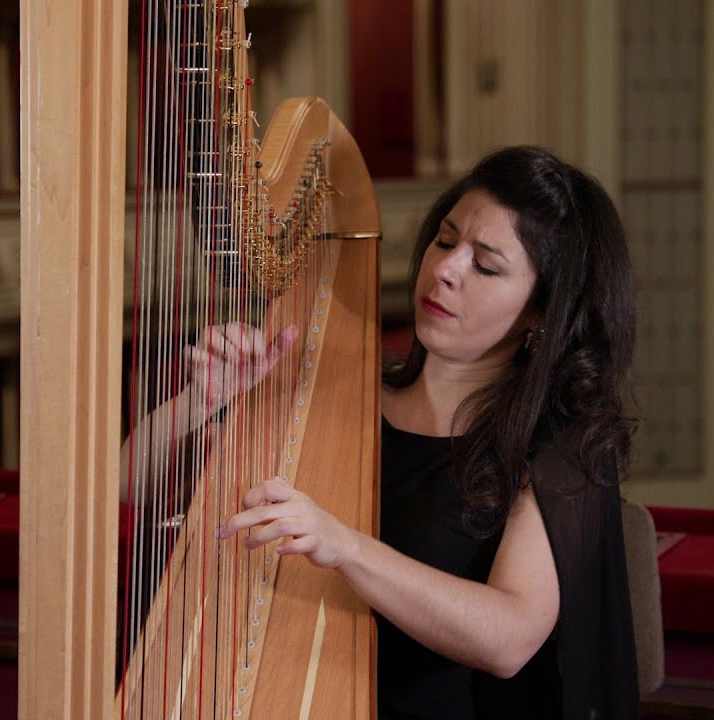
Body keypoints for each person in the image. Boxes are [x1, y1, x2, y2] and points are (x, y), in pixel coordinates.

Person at [131, 145, 640, 719]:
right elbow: (132, 482)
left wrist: (344, 546)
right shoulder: (339, 391)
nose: (445, 269)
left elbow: (509, 638)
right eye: (445, 241)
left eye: (486, 265)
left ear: (542, 312)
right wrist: (200, 402)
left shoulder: (560, 447)